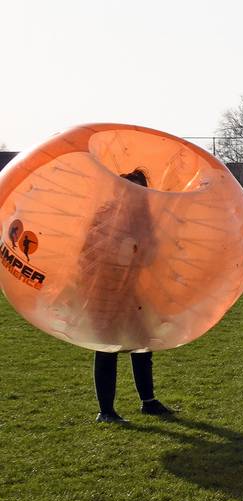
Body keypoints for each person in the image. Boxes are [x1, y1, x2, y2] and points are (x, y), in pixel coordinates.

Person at [80, 169, 172, 423]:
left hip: (130, 292)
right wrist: (115, 255)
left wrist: (140, 252)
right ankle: (106, 411)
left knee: (142, 345)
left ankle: (148, 402)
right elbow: (88, 250)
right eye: (131, 188)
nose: (136, 194)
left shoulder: (143, 219)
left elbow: (150, 255)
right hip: (104, 291)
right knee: (107, 347)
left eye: (140, 189)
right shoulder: (106, 214)